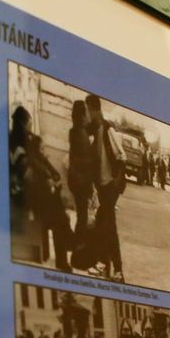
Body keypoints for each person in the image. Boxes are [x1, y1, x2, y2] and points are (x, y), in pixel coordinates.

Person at [79, 95, 125, 281]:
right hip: (102, 188)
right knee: (104, 226)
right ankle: (108, 267)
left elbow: (121, 157)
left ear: (95, 110)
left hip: (110, 187)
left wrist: (115, 182)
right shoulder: (93, 131)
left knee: (107, 227)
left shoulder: (107, 129)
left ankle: (115, 270)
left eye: (89, 111)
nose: (88, 115)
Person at [23, 133, 73, 271]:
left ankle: (62, 254)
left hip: (48, 203)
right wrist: (51, 183)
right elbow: (42, 185)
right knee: (61, 222)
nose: (44, 151)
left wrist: (53, 182)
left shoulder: (41, 160)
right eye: (41, 148)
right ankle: (62, 259)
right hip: (41, 206)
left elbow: (56, 175)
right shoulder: (33, 164)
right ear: (36, 149)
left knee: (61, 220)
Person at [66, 99, 94, 240]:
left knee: (81, 215)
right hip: (81, 180)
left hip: (76, 179)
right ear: (82, 115)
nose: (88, 115)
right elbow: (83, 161)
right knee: (82, 217)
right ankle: (77, 244)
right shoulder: (81, 134)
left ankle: (77, 243)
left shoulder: (75, 131)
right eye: (86, 112)